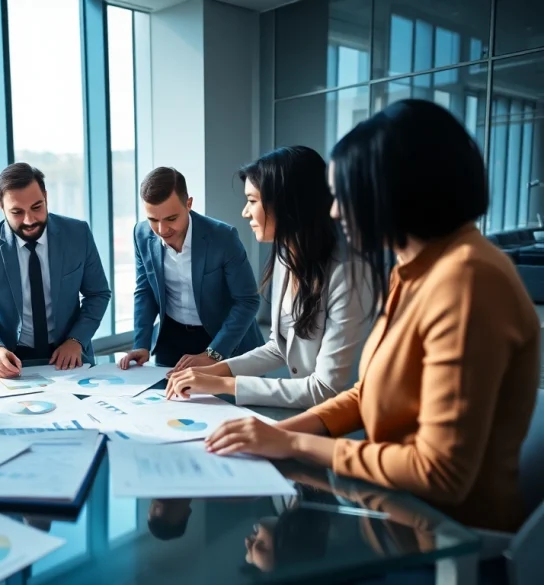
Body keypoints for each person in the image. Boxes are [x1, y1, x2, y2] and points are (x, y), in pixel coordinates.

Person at [203, 99, 540, 533]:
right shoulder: (414, 268)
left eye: (346, 194)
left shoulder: (467, 279)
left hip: (452, 540)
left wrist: (295, 443)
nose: (334, 211)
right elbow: (368, 392)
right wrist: (279, 433)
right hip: (397, 518)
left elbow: (440, 473)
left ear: (396, 191)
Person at [165, 147, 372, 408]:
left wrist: (222, 384)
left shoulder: (349, 272)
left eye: (252, 201)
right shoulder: (287, 254)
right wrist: (212, 371)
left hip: (350, 421)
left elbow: (326, 389)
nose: (245, 212)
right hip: (310, 414)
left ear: (287, 204)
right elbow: (278, 346)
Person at [0, 162, 112, 378]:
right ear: (1, 206)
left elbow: (98, 294)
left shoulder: (78, 234)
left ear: (46, 197)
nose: (29, 220)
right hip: (11, 358)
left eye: (36, 207)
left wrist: (76, 340)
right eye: (17, 212)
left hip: (69, 356)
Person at [119, 166, 263, 370]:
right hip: (171, 338)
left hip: (223, 338)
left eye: (171, 219)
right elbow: (145, 291)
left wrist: (214, 353)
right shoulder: (141, 234)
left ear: (188, 204)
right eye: (153, 220)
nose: (162, 230)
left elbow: (247, 301)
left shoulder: (223, 237)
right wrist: (141, 343)